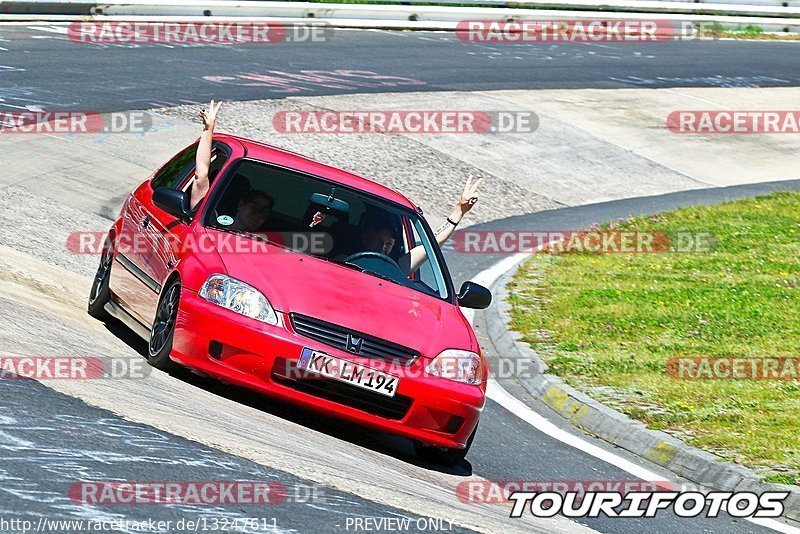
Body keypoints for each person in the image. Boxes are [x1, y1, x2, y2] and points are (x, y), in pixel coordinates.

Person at [357, 176, 483, 274]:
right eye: (379, 240)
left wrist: (459, 211)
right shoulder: (342, 259)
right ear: (367, 237)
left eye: (389, 243)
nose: (383, 247)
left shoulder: (397, 269)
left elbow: (431, 245)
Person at [188, 100, 273, 232]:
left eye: (265, 214)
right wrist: (208, 130)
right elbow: (201, 177)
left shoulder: (262, 245)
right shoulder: (209, 222)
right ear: (241, 204)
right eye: (255, 208)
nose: (259, 215)